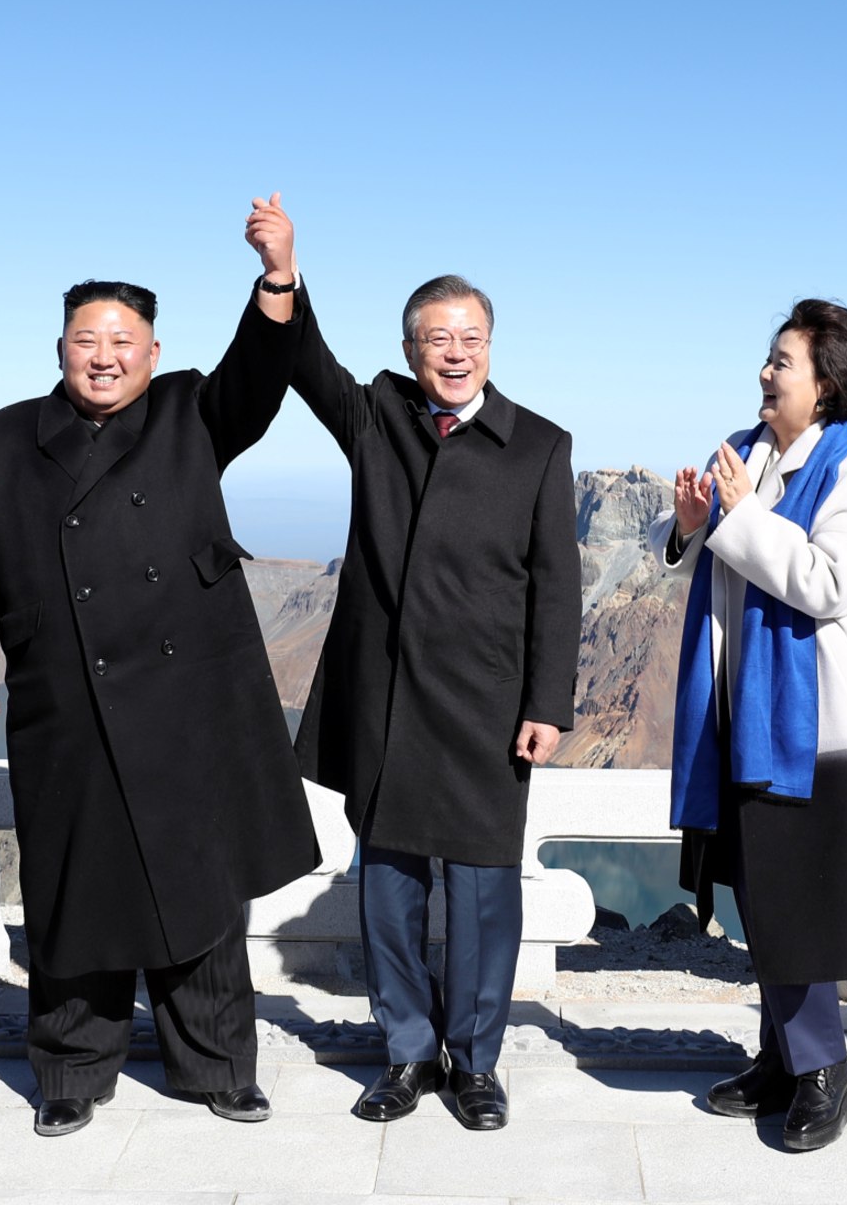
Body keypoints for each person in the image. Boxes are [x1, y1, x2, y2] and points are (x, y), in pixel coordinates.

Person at [0, 196, 320, 1137]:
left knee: (201, 887)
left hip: (189, 699)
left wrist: (277, 278)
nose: (102, 356)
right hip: (64, 695)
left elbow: (261, 375)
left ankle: (221, 1066)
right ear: (59, 349)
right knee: (74, 887)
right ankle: (70, 1071)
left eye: (122, 340)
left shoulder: (193, 410)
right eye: (84, 339)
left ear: (152, 350)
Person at [289, 259, 582, 1131]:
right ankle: (408, 1053)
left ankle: (478, 1063)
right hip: (386, 697)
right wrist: (281, 277)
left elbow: (557, 587)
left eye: (471, 338)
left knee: (487, 892)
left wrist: (549, 703)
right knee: (389, 885)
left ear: (490, 347)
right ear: (410, 348)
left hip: (488, 703)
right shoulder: (379, 418)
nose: (455, 354)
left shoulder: (538, 444)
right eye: (437, 339)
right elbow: (305, 361)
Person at [651, 298, 847, 1151]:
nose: (766, 373)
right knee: (760, 891)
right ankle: (782, 1057)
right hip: (744, 713)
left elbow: (826, 584)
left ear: (826, 385)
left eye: (782, 362)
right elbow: (715, 553)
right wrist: (692, 527)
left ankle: (827, 1073)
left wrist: (736, 519)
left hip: (815, 729)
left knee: (796, 900)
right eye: (768, 358)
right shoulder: (749, 454)